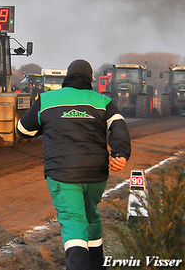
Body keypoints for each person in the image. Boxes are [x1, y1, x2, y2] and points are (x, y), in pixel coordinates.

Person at [16, 59, 131, 270]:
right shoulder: (102, 101)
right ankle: (97, 265)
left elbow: (23, 130)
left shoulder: (47, 100)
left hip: (62, 173)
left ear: (67, 77)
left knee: (73, 220)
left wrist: (50, 126)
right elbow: (119, 126)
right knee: (90, 216)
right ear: (90, 79)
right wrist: (120, 153)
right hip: (96, 174)